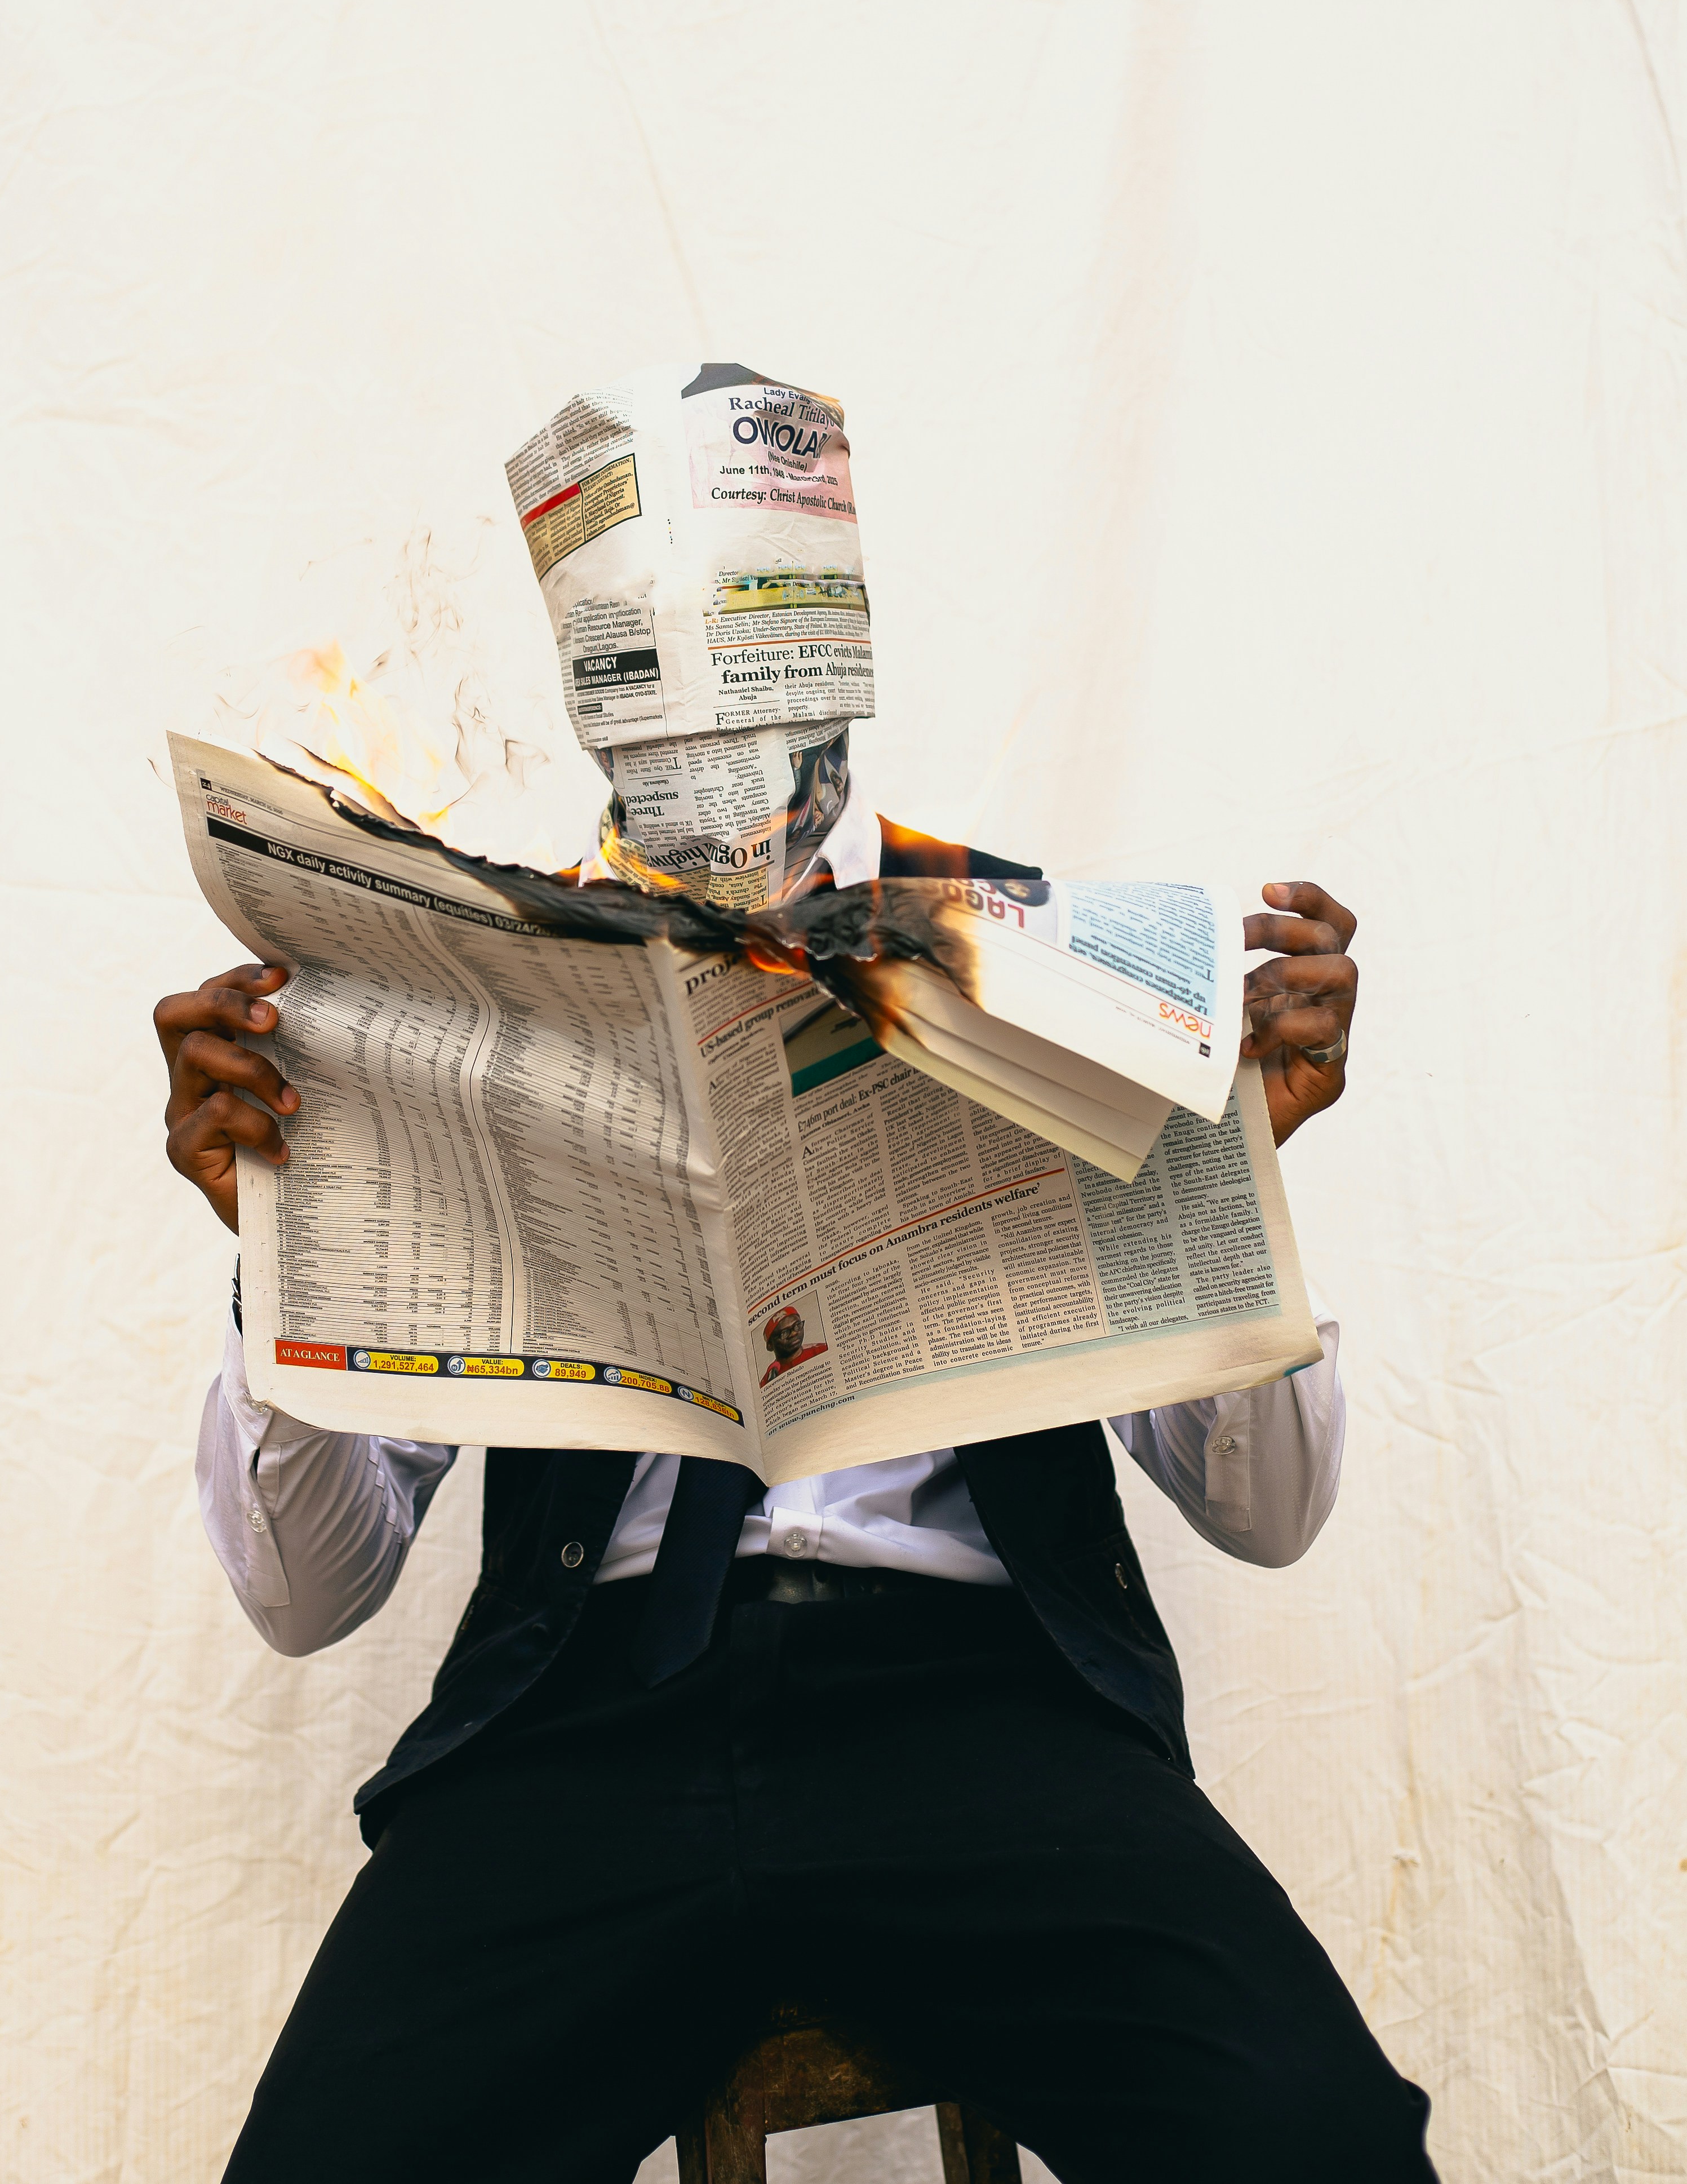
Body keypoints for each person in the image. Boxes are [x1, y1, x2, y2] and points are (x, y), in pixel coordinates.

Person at [162, 376, 1431, 2182]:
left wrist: (1234, 1178)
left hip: (981, 1718)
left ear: (835, 690)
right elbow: (307, 1597)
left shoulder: (1047, 972)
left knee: (1322, 2150)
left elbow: (1273, 1514)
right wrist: (267, 1245)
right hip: (577, 1732)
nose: (707, 784)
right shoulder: (464, 998)